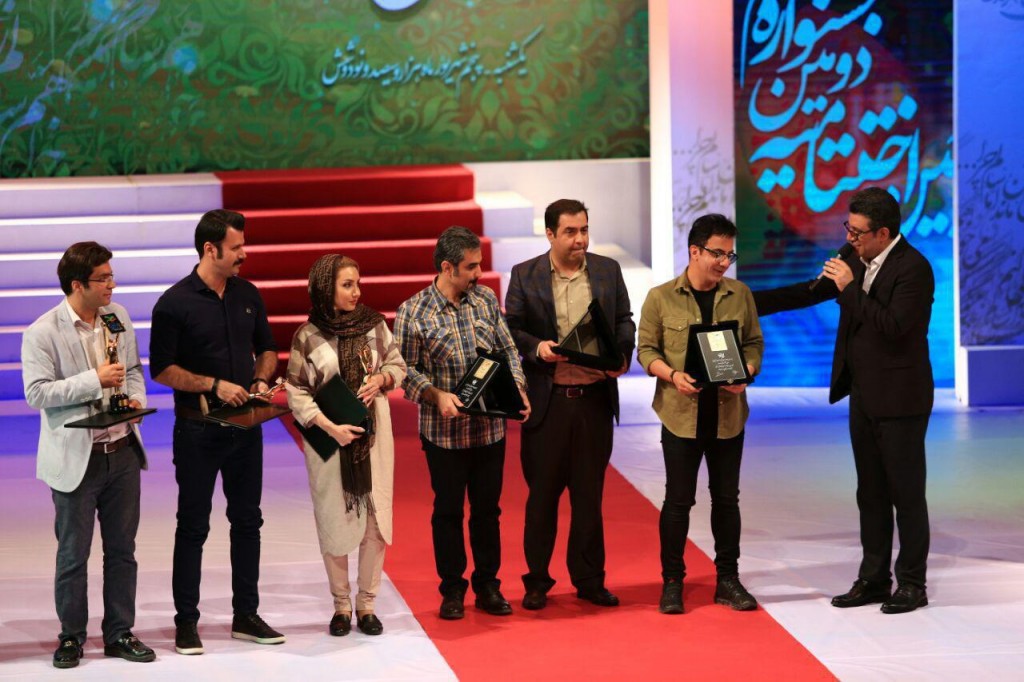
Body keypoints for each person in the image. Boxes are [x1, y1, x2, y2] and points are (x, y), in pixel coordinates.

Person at [753, 187, 934, 614]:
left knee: (906, 493)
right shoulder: (854, 257)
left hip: (901, 400)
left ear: (883, 233)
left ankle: (912, 583)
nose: (848, 239)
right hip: (864, 394)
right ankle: (873, 579)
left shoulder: (914, 268)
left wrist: (850, 289)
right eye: (847, 229)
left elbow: (894, 326)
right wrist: (745, 301)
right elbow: (811, 291)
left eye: (857, 233)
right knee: (870, 492)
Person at [150, 209, 284, 654]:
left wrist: (261, 379)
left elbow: (267, 348)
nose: (244, 254)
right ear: (211, 249)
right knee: (193, 525)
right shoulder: (174, 303)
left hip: (246, 428)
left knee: (248, 522)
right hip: (198, 430)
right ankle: (186, 622)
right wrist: (213, 385)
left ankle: (246, 615)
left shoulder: (248, 293)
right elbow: (162, 369)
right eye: (236, 247)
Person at [22, 242, 155, 668]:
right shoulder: (42, 332)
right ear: (77, 285)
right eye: (103, 279)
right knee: (73, 555)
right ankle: (71, 637)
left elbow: (132, 370)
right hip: (78, 458)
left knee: (122, 551)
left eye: (112, 276)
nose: (111, 285)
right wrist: (93, 380)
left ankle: (119, 632)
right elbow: (36, 393)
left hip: (123, 451)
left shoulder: (118, 317)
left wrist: (136, 400)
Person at [393, 225, 531, 620]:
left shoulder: (485, 299)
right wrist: (435, 395)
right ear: (447, 267)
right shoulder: (413, 312)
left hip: (490, 430)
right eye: (471, 267)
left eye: (479, 264)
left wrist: (518, 388)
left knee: (488, 512)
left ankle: (488, 585)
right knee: (448, 512)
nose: (479, 273)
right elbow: (404, 371)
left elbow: (508, 350)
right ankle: (452, 589)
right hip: (444, 436)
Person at [504, 199, 635, 610]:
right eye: (570, 232)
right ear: (550, 234)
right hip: (549, 403)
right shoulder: (525, 274)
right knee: (542, 498)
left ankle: (590, 580)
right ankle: (537, 582)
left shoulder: (607, 270)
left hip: (594, 401)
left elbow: (624, 320)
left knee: (589, 498)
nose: (580, 239)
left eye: (584, 230)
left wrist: (623, 356)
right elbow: (511, 328)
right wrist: (536, 348)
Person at [636, 214, 763, 615]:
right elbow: (646, 350)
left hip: (728, 414)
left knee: (727, 500)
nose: (724, 262)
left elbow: (754, 343)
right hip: (680, 414)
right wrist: (672, 375)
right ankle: (672, 581)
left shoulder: (740, 294)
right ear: (694, 251)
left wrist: (748, 371)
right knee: (678, 501)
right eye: (717, 253)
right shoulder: (661, 297)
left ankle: (728, 580)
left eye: (729, 255)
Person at [287, 255, 407, 637]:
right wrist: (329, 427)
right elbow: (296, 391)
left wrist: (382, 379)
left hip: (374, 439)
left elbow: (398, 365)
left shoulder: (375, 325)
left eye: (358, 283)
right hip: (329, 440)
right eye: (347, 285)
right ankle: (341, 606)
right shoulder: (307, 336)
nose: (356, 292)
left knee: (375, 519)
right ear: (326, 288)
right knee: (333, 518)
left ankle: (367, 605)